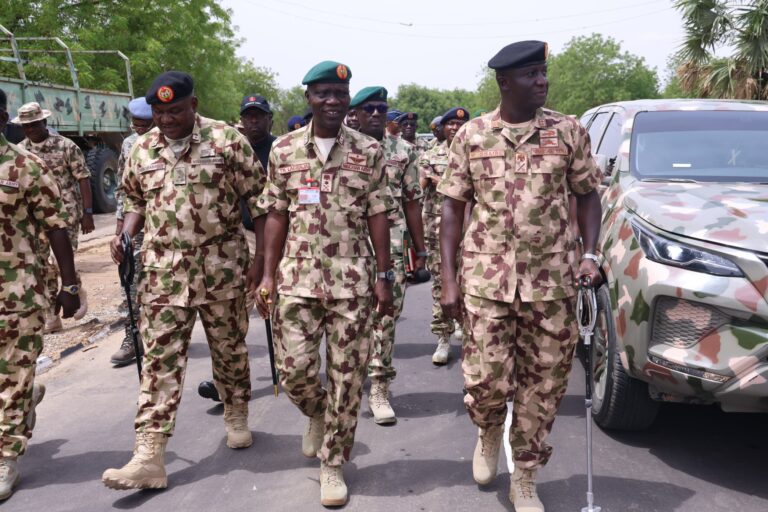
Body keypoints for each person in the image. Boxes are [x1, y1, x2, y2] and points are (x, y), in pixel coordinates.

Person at [438, 41, 602, 512]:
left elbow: (588, 195)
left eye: (543, 72)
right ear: (504, 82)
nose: (542, 81)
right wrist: (448, 280)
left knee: (544, 384)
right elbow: (452, 208)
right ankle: (488, 431)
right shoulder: (471, 135)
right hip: (486, 282)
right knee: (486, 382)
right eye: (531, 74)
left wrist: (590, 253)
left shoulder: (568, 132)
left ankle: (525, 475)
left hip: (551, 281)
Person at [102, 71, 266, 490]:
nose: (167, 119)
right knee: (159, 361)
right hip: (163, 274)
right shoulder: (141, 148)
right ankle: (149, 453)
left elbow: (261, 202)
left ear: (193, 105)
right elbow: (136, 199)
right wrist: (125, 232)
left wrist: (263, 262)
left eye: (175, 110)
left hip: (222, 267)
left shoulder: (227, 140)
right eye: (159, 112)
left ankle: (236, 411)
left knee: (229, 349)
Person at [254, 61, 394, 507]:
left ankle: (332, 463)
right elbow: (275, 213)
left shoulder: (369, 151)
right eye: (323, 93)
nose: (332, 101)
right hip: (296, 279)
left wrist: (386, 275)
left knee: (348, 376)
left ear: (347, 98)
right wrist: (267, 275)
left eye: (340, 92)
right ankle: (316, 412)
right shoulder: (285, 150)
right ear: (308, 99)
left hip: (352, 281)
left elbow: (378, 214)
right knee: (294, 372)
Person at [0, 88, 80, 501]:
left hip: (18, 292)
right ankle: (25, 396)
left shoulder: (24, 166)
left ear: (2, 117)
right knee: (9, 381)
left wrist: (68, 284)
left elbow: (55, 226)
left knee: (11, 375)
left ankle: (6, 458)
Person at [350, 86, 427, 425]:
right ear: (356, 113)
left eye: (382, 108)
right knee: (348, 319)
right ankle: (348, 385)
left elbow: (412, 200)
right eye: (370, 109)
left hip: (393, 245)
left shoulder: (404, 151)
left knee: (385, 319)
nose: (377, 114)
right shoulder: (340, 148)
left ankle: (379, 387)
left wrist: (421, 249)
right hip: (348, 245)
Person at [198, 93, 274, 403]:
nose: (253, 121)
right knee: (233, 312)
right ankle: (226, 381)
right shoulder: (227, 148)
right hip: (244, 235)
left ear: (269, 118)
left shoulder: (281, 149)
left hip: (283, 233)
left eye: (259, 116)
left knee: (278, 305)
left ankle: (292, 363)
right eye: (248, 116)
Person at [15, 102, 93, 332]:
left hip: (66, 213)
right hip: (35, 218)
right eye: (26, 126)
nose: (31, 129)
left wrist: (87, 213)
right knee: (42, 265)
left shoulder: (65, 146)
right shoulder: (21, 151)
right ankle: (51, 314)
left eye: (34, 124)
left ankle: (74, 288)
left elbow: (83, 178)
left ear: (44, 122)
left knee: (59, 261)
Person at [418, 107, 469, 365]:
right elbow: (420, 185)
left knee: (470, 284)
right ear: (443, 127)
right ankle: (443, 337)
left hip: (472, 232)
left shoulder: (476, 154)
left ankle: (469, 334)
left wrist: (440, 179)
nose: (455, 127)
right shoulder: (430, 155)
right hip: (437, 230)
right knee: (441, 283)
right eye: (450, 123)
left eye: (460, 123)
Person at [111, 97, 154, 367]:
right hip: (136, 223)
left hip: (171, 226)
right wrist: (119, 230)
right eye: (135, 124)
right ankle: (132, 338)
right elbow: (123, 189)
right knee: (130, 278)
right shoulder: (129, 145)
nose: (138, 129)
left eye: (144, 125)